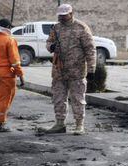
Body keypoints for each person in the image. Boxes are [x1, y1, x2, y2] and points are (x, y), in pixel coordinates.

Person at [43, 4, 96, 135]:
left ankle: (79, 125)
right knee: (58, 98)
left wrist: (91, 69)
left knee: (77, 99)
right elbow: (48, 43)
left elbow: (90, 49)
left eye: (64, 15)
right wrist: (51, 47)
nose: (61, 17)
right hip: (59, 70)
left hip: (76, 71)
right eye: (60, 15)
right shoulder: (56, 28)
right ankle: (60, 124)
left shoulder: (81, 28)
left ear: (71, 13)